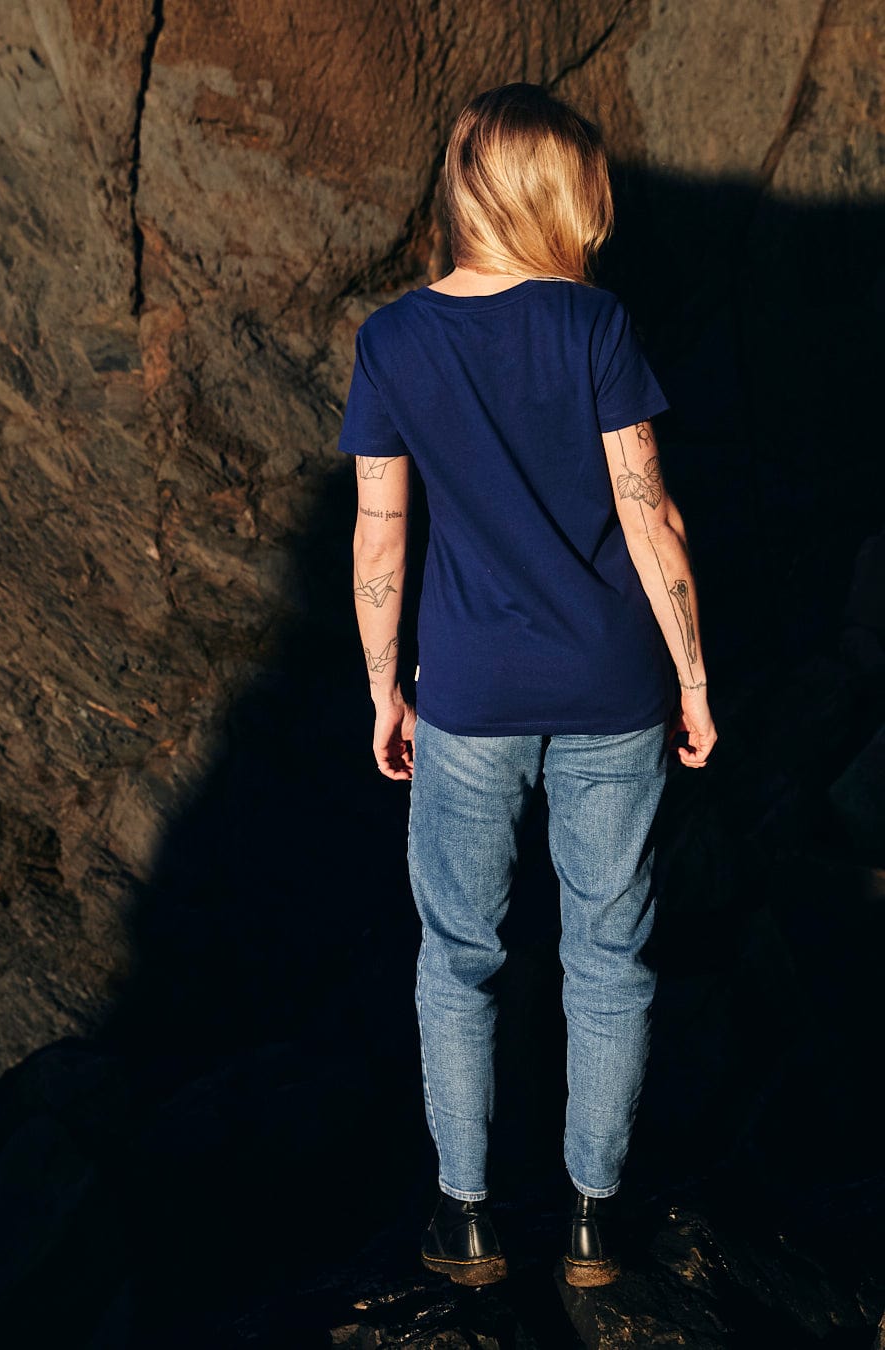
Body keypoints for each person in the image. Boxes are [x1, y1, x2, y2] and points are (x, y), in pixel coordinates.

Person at [337, 82, 717, 1288]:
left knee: (459, 952)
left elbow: (380, 539)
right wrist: (696, 680)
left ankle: (467, 1219)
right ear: (563, 192)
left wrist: (382, 688)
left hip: (465, 692)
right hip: (611, 686)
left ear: (467, 189)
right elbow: (652, 523)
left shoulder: (393, 340)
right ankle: (597, 1223)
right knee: (609, 955)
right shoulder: (593, 329)